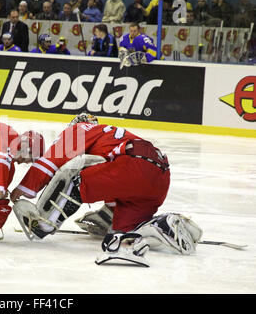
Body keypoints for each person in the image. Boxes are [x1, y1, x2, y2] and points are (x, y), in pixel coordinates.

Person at [11, 112, 203, 266]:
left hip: (134, 164)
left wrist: (23, 188)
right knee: (121, 235)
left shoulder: (80, 129)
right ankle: (161, 225)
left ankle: (43, 225)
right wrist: (108, 214)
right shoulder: (109, 136)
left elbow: (51, 161)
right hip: (160, 177)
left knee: (75, 180)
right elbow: (115, 187)